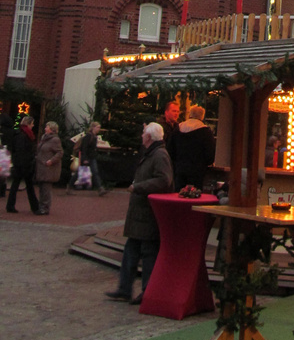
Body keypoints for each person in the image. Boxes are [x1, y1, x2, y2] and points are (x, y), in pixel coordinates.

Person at [105, 122, 173, 305]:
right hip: (141, 213)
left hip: (147, 212)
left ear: (149, 137)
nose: (141, 136)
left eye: (143, 133)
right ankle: (125, 288)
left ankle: (146, 290)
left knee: (147, 252)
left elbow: (164, 180)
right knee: (131, 250)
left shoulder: (159, 155)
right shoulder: (153, 154)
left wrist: (138, 187)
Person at [173, 105, 215, 191]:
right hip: (197, 171)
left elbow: (170, 149)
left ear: (190, 114)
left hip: (179, 169)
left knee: (178, 194)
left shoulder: (178, 129)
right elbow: (210, 154)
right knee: (194, 195)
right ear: (202, 116)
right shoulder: (205, 132)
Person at [6, 115, 40, 214]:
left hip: (20, 164)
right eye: (32, 123)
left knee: (16, 185)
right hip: (23, 165)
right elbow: (22, 151)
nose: (33, 125)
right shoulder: (23, 135)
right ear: (28, 124)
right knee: (28, 186)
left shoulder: (19, 134)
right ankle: (35, 207)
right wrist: (26, 164)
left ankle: (11, 206)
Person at [67, 121, 106, 194]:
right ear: (93, 127)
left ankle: (100, 188)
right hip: (87, 157)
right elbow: (84, 148)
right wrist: (84, 158)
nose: (99, 129)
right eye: (98, 127)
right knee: (79, 172)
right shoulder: (88, 136)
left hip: (91, 157)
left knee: (94, 172)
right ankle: (69, 186)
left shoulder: (94, 137)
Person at [35, 121, 63, 215]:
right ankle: (41, 206)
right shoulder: (44, 138)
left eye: (47, 127)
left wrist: (51, 160)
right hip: (41, 166)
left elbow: (59, 153)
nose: (45, 129)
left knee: (46, 188)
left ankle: (45, 208)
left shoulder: (55, 140)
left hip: (48, 168)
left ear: (51, 129)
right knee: (42, 188)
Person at [160, 100, 180, 165]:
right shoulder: (160, 127)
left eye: (178, 111)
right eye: (174, 111)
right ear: (166, 112)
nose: (176, 114)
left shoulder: (178, 127)